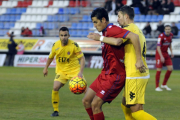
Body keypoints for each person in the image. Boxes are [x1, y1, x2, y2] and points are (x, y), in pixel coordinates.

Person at [87, 6, 157, 120]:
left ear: (126, 16)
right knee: (125, 106)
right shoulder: (136, 28)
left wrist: (100, 38)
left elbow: (118, 41)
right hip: (134, 73)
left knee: (137, 112)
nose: (118, 20)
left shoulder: (129, 29)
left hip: (135, 73)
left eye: (119, 17)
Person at [43, 27, 86, 117]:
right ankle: (55, 111)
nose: (63, 37)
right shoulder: (55, 45)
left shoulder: (74, 45)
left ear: (68, 35)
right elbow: (51, 57)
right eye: (61, 35)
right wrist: (45, 68)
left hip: (75, 71)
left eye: (65, 35)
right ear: (59, 36)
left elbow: (82, 58)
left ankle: (95, 108)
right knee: (55, 87)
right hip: (61, 71)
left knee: (85, 89)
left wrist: (80, 72)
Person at [155, 25, 173, 91]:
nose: (168, 30)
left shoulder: (171, 35)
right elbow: (158, 47)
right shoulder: (161, 36)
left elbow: (170, 44)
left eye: (169, 29)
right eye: (166, 29)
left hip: (166, 53)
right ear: (164, 30)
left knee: (170, 68)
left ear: (170, 30)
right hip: (159, 54)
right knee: (159, 69)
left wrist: (172, 52)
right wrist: (161, 56)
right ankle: (157, 87)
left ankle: (164, 84)